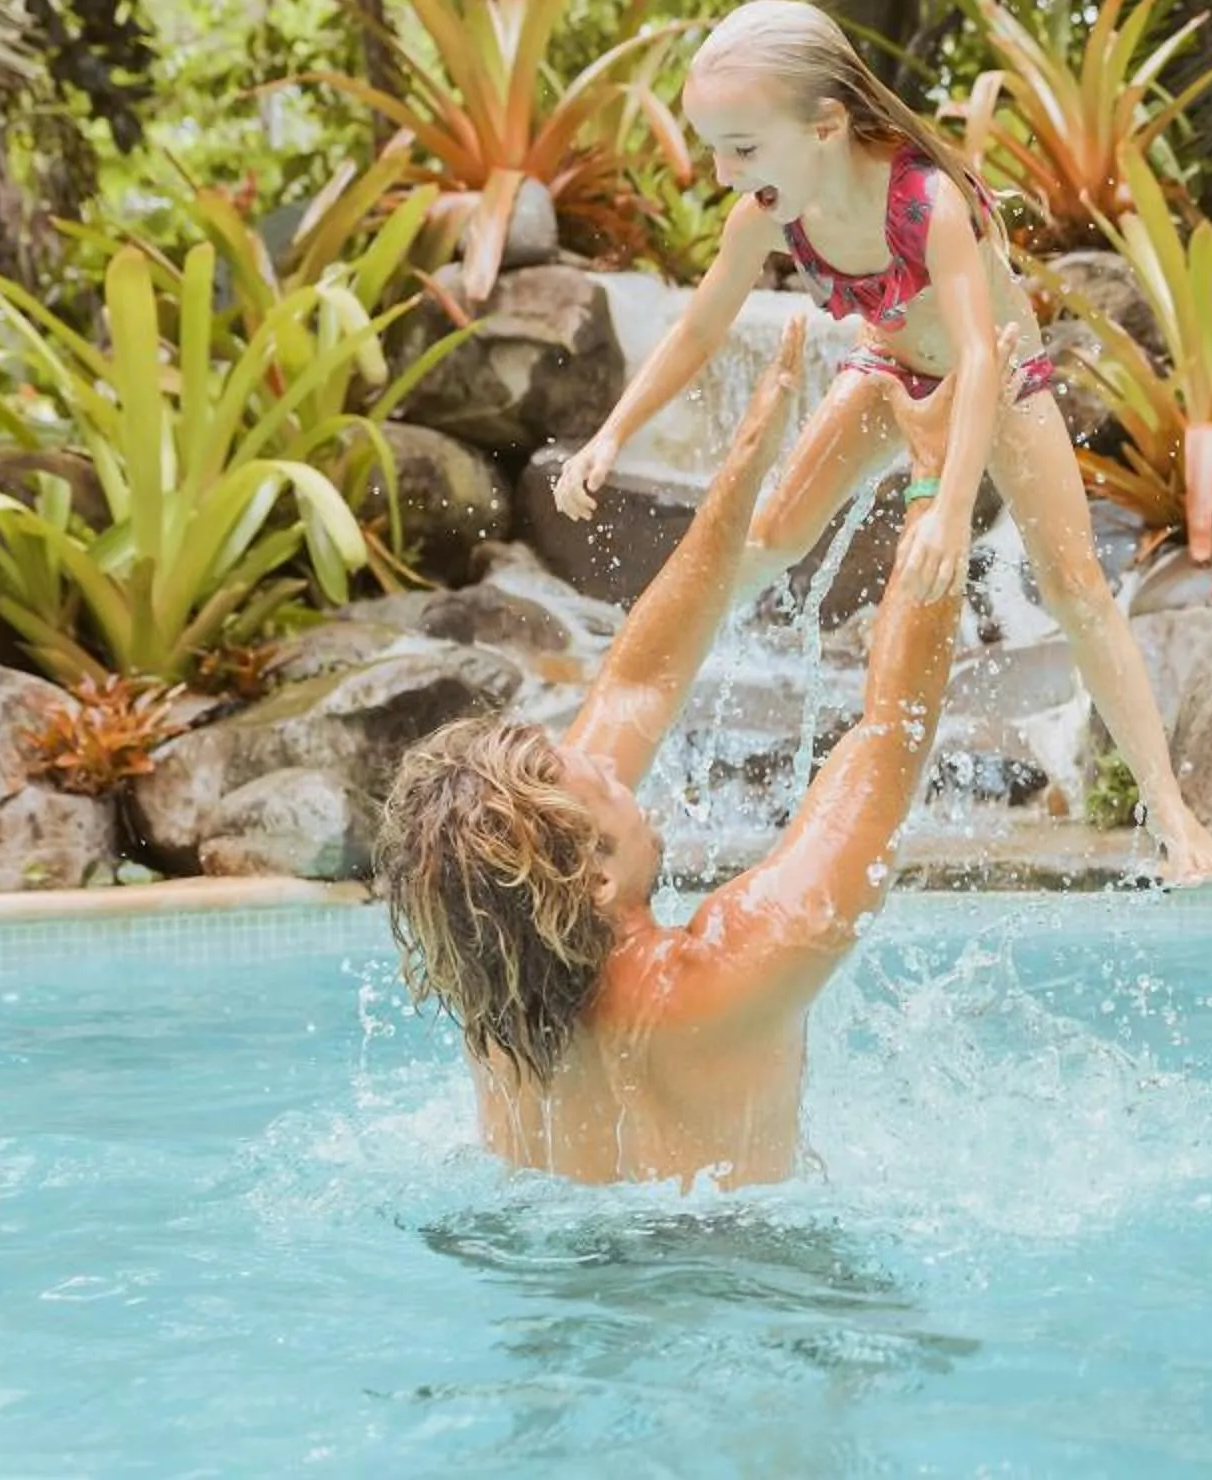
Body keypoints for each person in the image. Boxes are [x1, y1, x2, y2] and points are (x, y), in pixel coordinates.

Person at [548, 0, 1212, 884]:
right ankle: (604, 744)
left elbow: (981, 358)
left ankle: (1171, 812)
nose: (721, 171)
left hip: (1003, 383)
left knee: (1075, 585)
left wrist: (949, 509)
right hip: (888, 371)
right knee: (763, 541)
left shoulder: (927, 201)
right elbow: (698, 332)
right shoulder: (765, 212)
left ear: (825, 126)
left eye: (742, 147)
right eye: (714, 145)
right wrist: (610, 434)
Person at [374, 322, 966, 1190]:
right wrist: (936, 475)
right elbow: (889, 736)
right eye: (601, 780)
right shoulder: (726, 972)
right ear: (597, 882)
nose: (614, 764)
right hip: (752, 1291)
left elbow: (636, 685)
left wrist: (747, 467)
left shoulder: (496, 992)